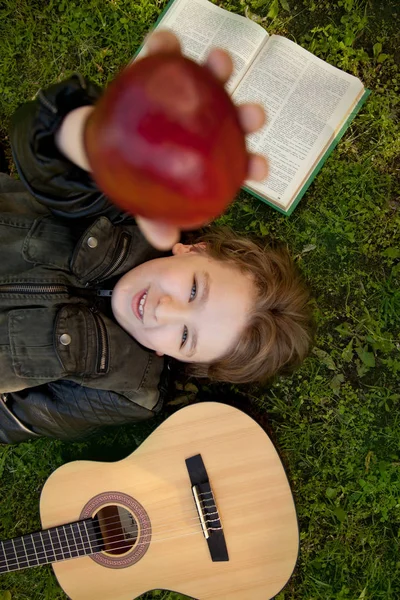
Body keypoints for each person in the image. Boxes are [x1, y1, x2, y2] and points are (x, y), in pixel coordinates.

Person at [0, 31, 312, 445]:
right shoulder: (135, 216)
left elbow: (15, 420)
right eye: (193, 289)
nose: (163, 310)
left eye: (185, 338)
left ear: (180, 359)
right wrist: (88, 137)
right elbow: (34, 137)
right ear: (193, 249)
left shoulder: (129, 391)